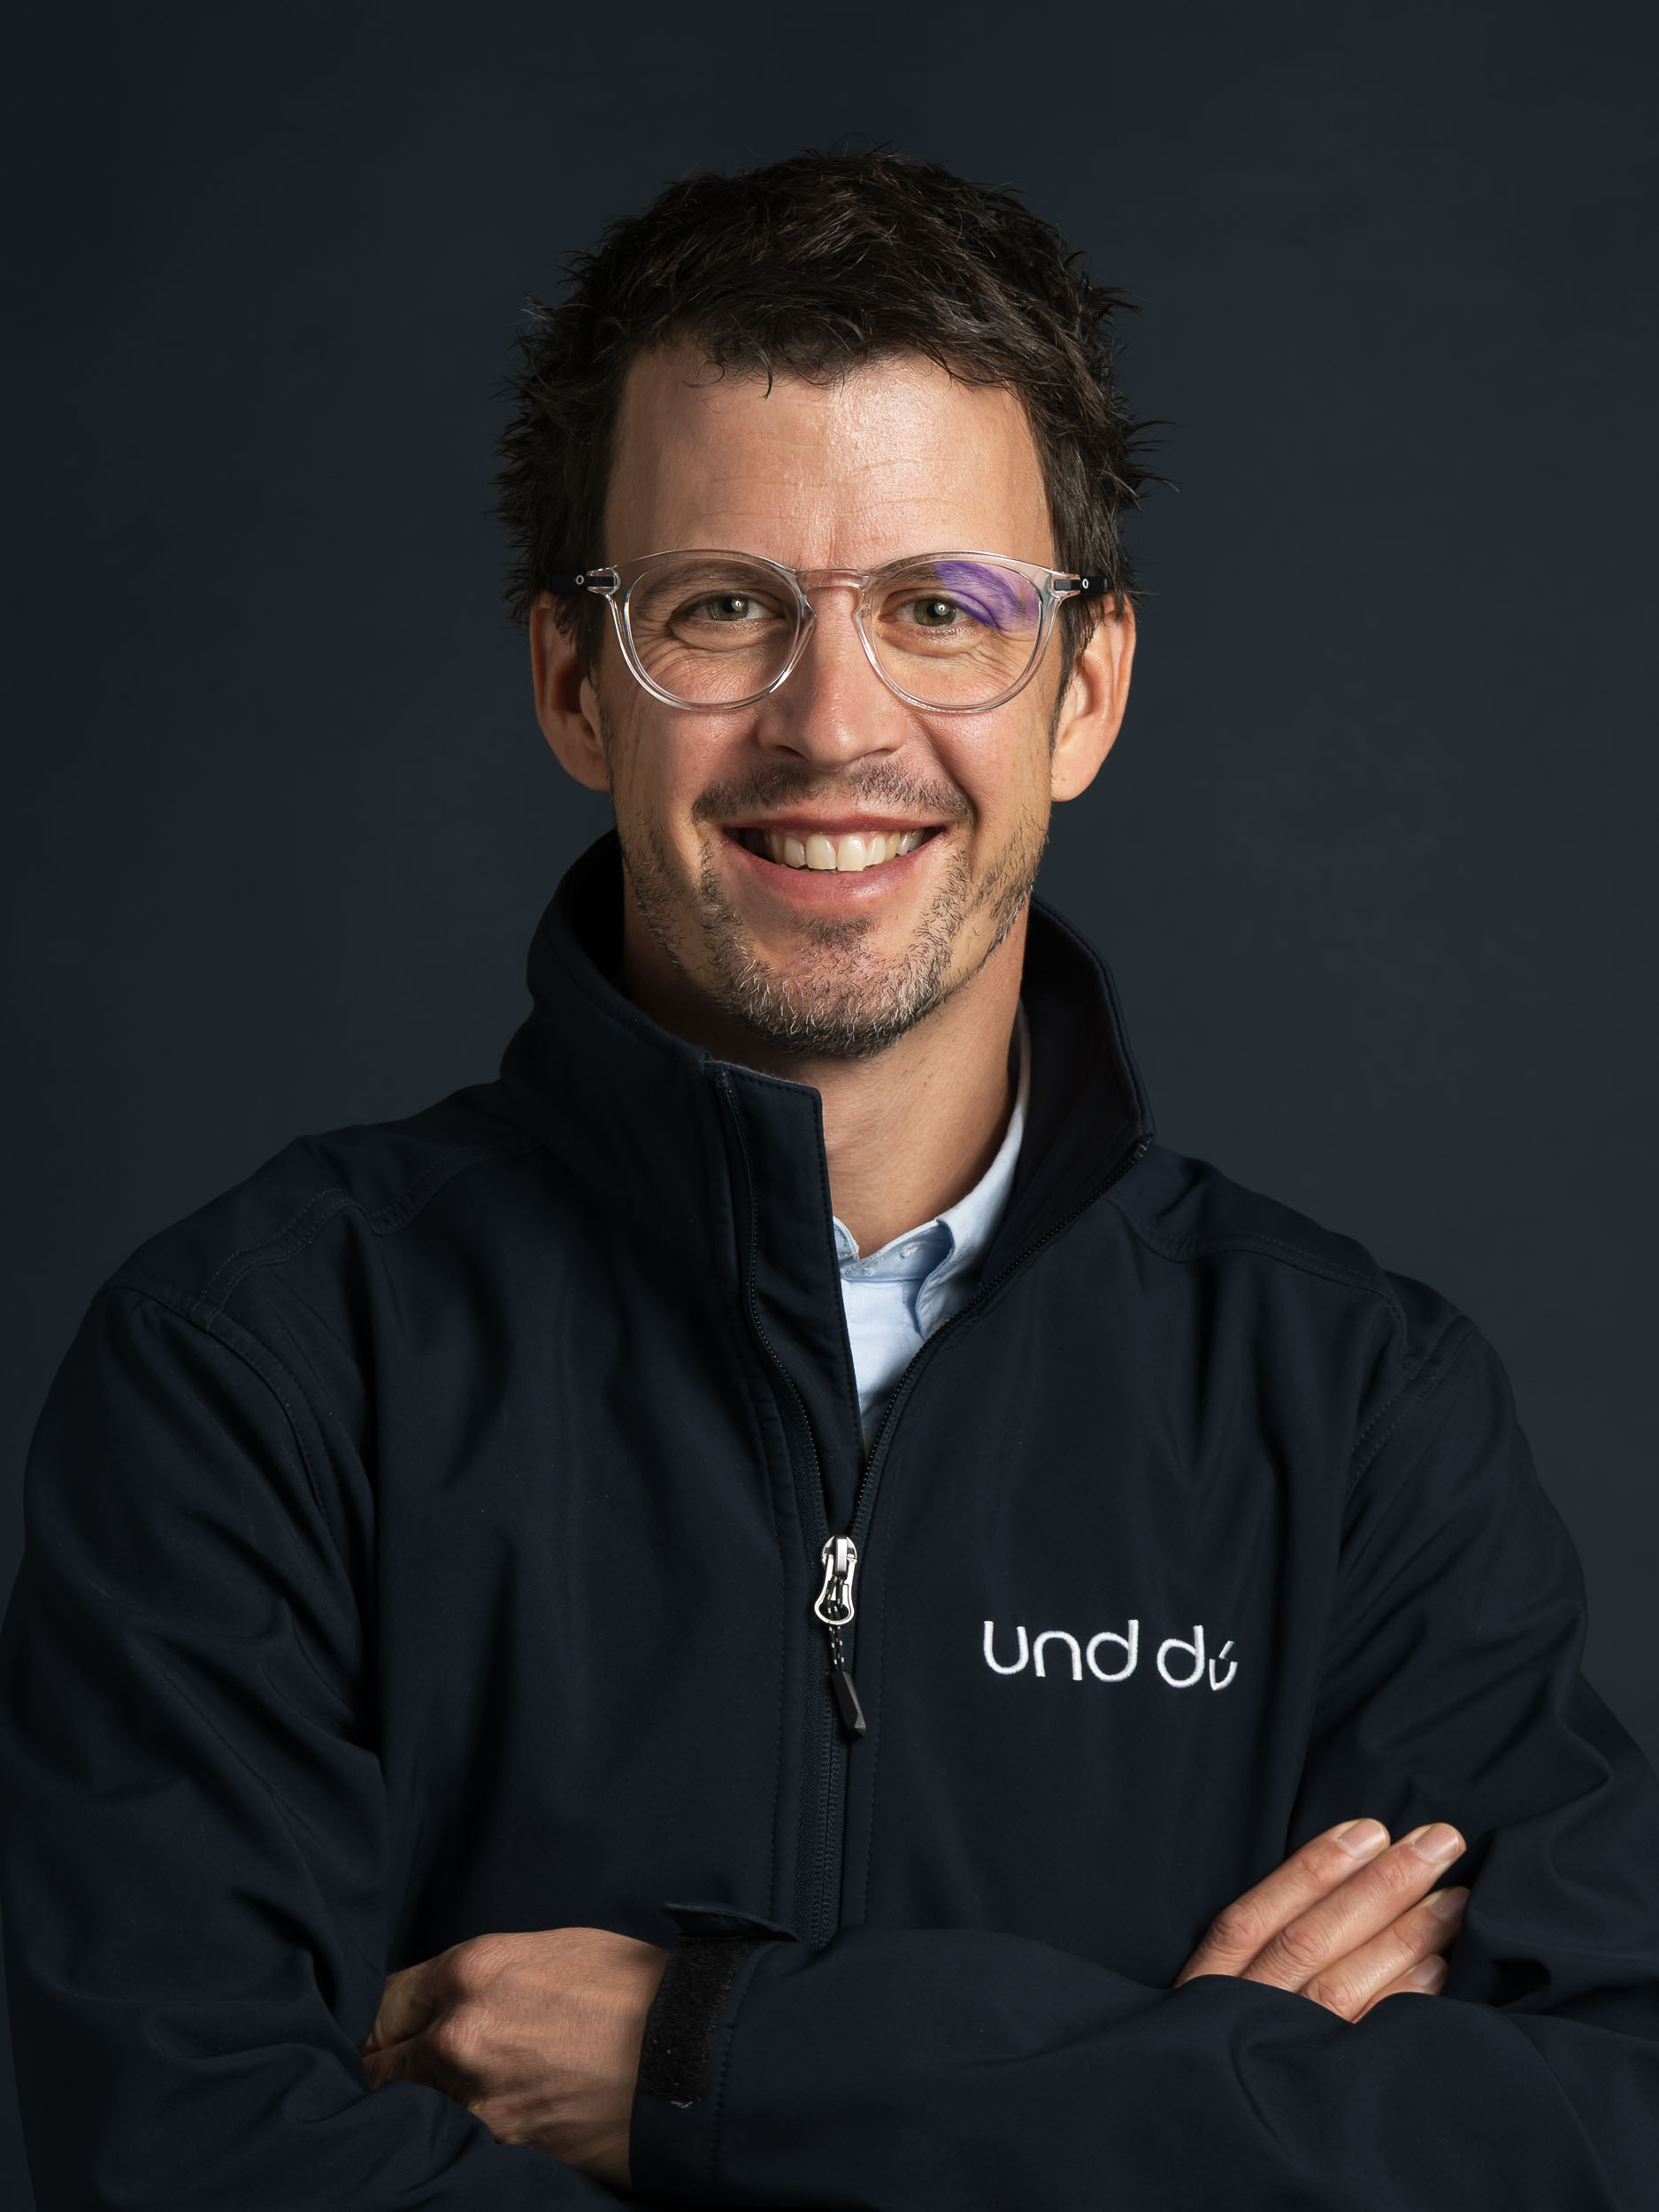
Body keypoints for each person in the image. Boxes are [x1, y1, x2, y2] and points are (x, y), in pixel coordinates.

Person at [3, 150, 1657, 2212]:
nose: (831, 721)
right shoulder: (252, 1370)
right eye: (720, 609)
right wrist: (1191, 2096)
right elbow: (187, 2160)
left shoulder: (1351, 1415)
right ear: (570, 680)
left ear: (1087, 689)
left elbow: (1583, 2139)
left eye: (939, 611)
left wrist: (717, 2057)